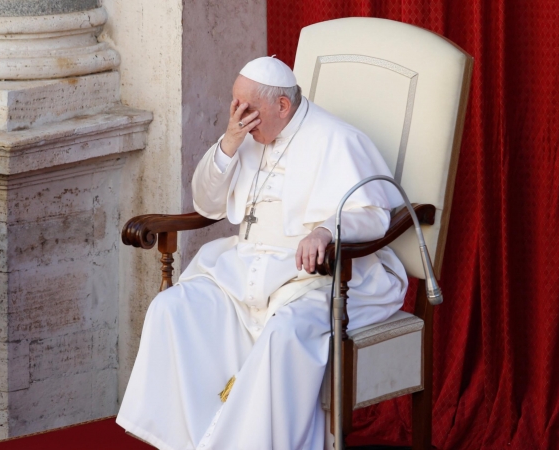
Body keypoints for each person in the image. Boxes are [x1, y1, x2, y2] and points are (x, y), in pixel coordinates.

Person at [116, 57, 408, 449]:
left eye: (246, 108)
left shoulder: (337, 139)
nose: (237, 115)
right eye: (234, 104)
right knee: (172, 308)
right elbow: (207, 203)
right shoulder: (248, 135)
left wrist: (325, 231)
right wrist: (228, 146)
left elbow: (373, 213)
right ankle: (192, 439)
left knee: (284, 333)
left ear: (282, 107)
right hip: (245, 266)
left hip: (313, 275)